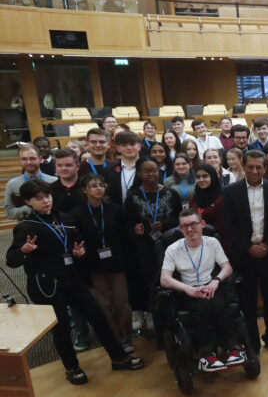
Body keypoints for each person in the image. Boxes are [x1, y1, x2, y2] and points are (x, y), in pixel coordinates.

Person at [6, 180, 145, 385]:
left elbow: (75, 244)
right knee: (61, 328)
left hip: (72, 278)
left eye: (48, 196)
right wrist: (23, 251)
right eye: (39, 198)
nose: (46, 201)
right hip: (47, 285)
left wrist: (79, 253)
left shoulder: (65, 218)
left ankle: (119, 358)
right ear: (28, 202)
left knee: (98, 316)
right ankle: (72, 367)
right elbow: (11, 260)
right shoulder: (26, 227)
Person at [221, 150, 268, 354]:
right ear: (243, 165)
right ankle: (252, 342)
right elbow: (228, 225)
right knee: (247, 301)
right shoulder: (230, 191)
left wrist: (267, 245)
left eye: (259, 167)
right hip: (244, 256)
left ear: (265, 168)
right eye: (250, 166)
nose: (254, 170)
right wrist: (249, 247)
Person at [160, 208, 245, 372]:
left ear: (202, 224)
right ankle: (207, 354)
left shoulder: (212, 242)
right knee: (203, 306)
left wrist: (216, 281)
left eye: (194, 224)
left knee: (220, 304)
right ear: (180, 229)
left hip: (211, 287)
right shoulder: (173, 249)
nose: (190, 230)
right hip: (189, 292)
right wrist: (187, 288)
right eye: (185, 226)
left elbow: (227, 268)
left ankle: (233, 348)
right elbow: (164, 279)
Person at [71, 174, 133, 351]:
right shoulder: (77, 214)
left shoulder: (114, 209)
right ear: (85, 190)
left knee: (122, 303)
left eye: (101, 184)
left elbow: (123, 236)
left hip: (116, 264)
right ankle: (115, 340)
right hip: (94, 267)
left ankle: (126, 337)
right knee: (103, 306)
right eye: (94, 186)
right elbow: (77, 240)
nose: (99, 188)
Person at [124, 158, 182, 318]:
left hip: (170, 246)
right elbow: (126, 224)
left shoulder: (171, 193)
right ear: (139, 173)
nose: (151, 174)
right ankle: (153, 314)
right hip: (145, 248)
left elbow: (179, 220)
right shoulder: (132, 197)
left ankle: (176, 312)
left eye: (154, 170)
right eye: (146, 171)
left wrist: (165, 224)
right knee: (151, 281)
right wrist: (135, 229)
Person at [6, 144, 58, 220]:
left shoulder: (54, 181)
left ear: (40, 159)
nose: (28, 162)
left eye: (32, 158)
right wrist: (29, 209)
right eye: (24, 159)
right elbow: (9, 213)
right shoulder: (13, 184)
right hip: (27, 228)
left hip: (52, 225)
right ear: (20, 160)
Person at [49, 148, 84, 214]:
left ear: (77, 166)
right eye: (59, 165)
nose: (64, 168)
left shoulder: (87, 187)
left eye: (68, 165)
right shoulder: (49, 190)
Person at [193, 163, 224, 234]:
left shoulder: (222, 198)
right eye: (198, 177)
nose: (201, 180)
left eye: (205, 176)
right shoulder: (194, 198)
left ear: (212, 177)